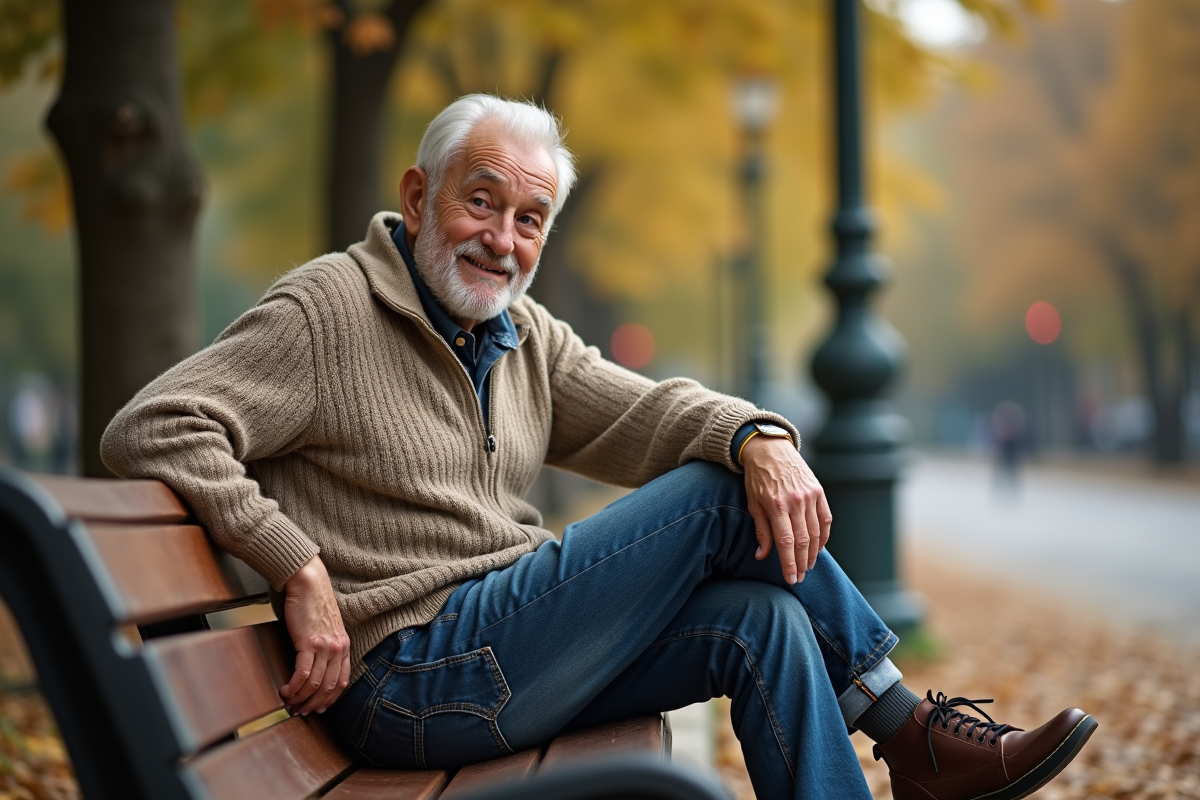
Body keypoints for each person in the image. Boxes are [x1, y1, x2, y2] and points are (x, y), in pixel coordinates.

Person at [100, 94, 1095, 800]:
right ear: (417, 192)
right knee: (714, 496)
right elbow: (151, 425)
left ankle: (907, 747)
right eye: (480, 200)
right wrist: (296, 561)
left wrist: (758, 433)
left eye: (530, 219)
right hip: (407, 676)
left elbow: (655, 413)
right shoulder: (329, 307)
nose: (502, 238)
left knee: (762, 622)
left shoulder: (524, 340)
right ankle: (911, 731)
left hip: (505, 653)